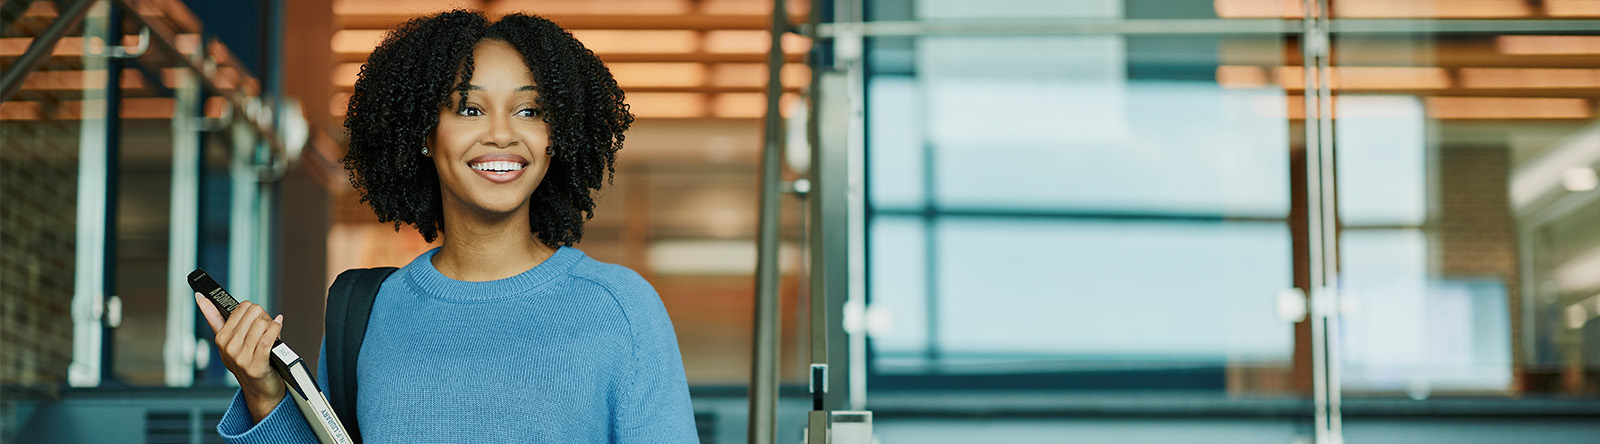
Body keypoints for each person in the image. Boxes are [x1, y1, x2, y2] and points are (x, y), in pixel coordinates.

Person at [193, 10, 699, 443]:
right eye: (470, 108)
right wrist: (264, 392)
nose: (502, 134)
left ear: (554, 137)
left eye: (529, 110)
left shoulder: (621, 309)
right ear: (423, 134)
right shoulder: (367, 312)